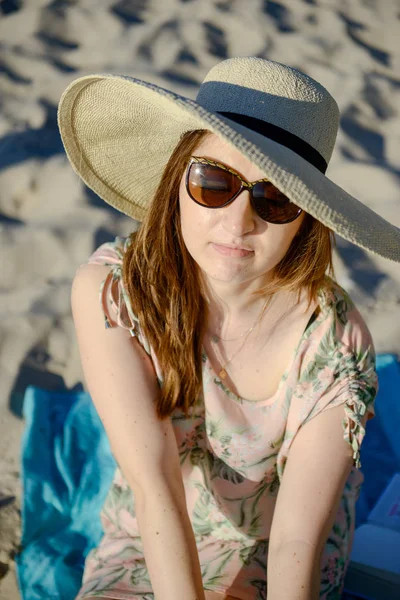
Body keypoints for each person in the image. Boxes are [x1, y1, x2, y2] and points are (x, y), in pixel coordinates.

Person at [57, 57, 400, 600]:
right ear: (176, 179)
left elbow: (295, 542)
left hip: (273, 552)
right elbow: (155, 487)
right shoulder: (116, 293)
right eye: (214, 182)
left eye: (275, 198)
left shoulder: (334, 342)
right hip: (148, 539)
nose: (240, 222)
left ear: (307, 218)